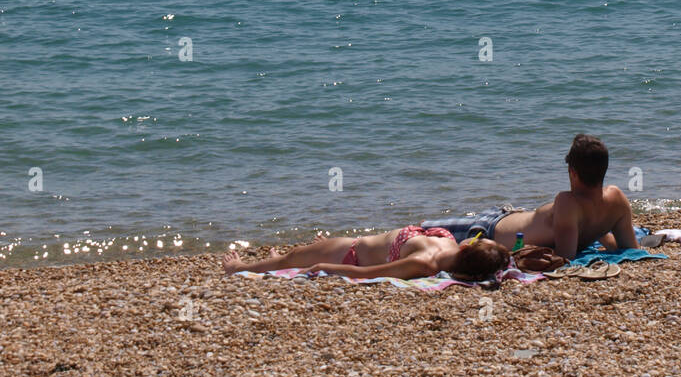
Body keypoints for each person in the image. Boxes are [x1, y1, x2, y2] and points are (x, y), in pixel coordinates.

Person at [423, 134, 638, 260]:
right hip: (498, 222)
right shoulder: (616, 199)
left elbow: (565, 257)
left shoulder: (567, 201)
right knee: (422, 232)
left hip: (486, 229)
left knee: (421, 232)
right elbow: (629, 247)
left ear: (573, 171)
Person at [222, 226, 509, 282]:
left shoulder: (423, 264)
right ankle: (276, 259)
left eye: (478, 241)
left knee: (292, 256)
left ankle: (239, 267)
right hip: (356, 243)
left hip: (350, 253)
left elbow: (367, 273)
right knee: (296, 254)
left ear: (467, 249)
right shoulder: (446, 242)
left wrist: (325, 266)